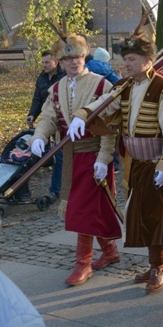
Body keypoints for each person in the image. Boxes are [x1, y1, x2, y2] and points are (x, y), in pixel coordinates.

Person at [68, 24, 163, 294]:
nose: (126, 64)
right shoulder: (124, 86)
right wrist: (81, 115)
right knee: (141, 216)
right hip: (135, 163)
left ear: (147, 61)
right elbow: (104, 101)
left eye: (131, 60)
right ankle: (157, 262)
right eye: (125, 60)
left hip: (156, 162)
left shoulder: (162, 87)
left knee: (156, 217)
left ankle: (161, 266)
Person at [29, 34, 119, 287]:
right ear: (60, 61)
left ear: (84, 57)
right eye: (67, 58)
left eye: (77, 57)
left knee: (83, 209)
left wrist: (104, 158)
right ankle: (110, 250)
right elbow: (48, 117)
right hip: (70, 157)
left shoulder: (102, 85)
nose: (73, 62)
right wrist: (39, 136)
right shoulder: (56, 88)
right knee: (94, 208)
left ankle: (83, 263)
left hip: (95, 155)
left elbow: (111, 127)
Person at [26, 50, 66, 201]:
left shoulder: (63, 77)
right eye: (43, 62)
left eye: (47, 62)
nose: (44, 65)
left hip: (61, 121)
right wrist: (32, 114)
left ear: (56, 62)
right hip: (46, 119)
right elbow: (37, 99)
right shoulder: (41, 78)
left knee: (59, 155)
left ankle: (56, 190)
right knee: (37, 151)